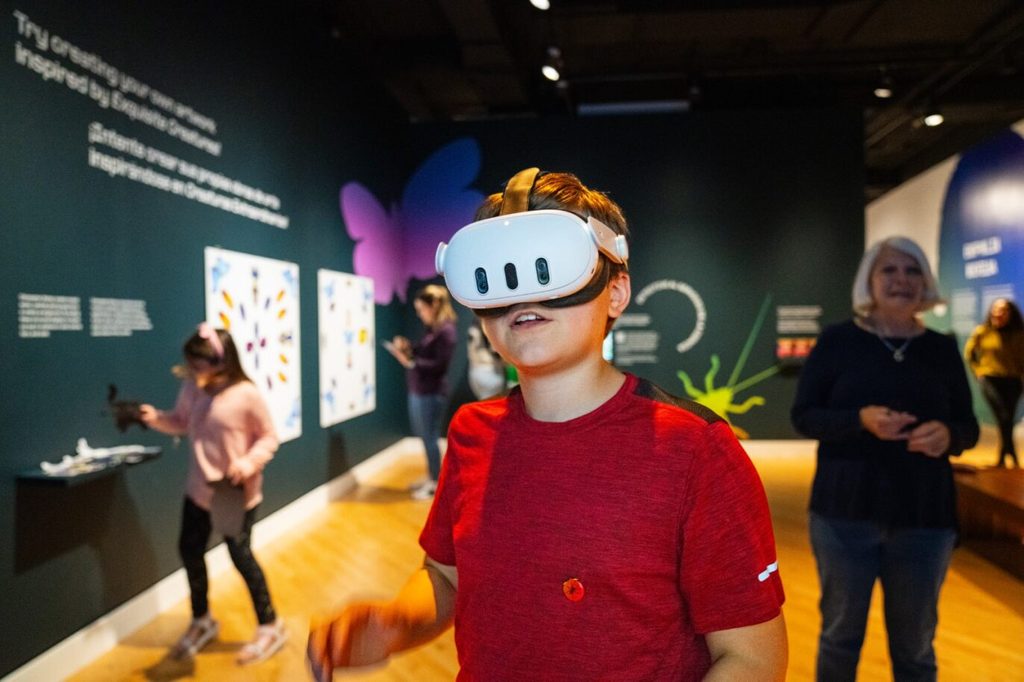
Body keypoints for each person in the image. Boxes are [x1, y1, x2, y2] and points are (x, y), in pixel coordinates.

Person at [309, 169, 787, 680]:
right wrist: (396, 623)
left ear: (617, 292)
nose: (522, 293)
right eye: (494, 274)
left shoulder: (694, 450)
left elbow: (752, 657)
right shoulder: (471, 431)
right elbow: (447, 578)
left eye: (549, 266)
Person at [791, 236, 979, 682]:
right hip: (844, 515)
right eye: (889, 270)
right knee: (840, 638)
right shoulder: (838, 342)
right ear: (869, 281)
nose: (901, 280)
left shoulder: (941, 348)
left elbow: (968, 426)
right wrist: (860, 419)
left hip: (924, 517)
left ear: (925, 282)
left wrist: (948, 434)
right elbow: (804, 415)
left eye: (912, 271)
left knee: (915, 649)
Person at [139, 323, 287, 664]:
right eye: (190, 364)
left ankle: (271, 625)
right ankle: (202, 620)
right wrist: (154, 419)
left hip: (235, 494)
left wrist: (249, 463)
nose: (191, 370)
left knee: (241, 557)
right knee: (189, 551)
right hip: (198, 490)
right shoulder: (193, 388)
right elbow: (180, 421)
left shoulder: (246, 394)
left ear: (220, 361)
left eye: (197, 364)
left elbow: (269, 438)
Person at [383, 284, 458, 500]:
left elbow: (439, 364)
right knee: (425, 437)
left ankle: (436, 482)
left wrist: (412, 361)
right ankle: (431, 477)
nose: (419, 314)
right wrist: (407, 348)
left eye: (421, 309)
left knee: (430, 437)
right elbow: (422, 351)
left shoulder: (447, 331)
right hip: (419, 389)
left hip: (431, 392)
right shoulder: (433, 329)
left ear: (433, 305)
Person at [965, 297, 1024, 467]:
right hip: (989, 379)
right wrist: (978, 372)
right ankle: (1009, 453)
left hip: (1012, 380)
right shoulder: (982, 332)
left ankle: (1004, 453)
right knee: (1003, 415)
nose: (999, 313)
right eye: (996, 309)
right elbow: (970, 353)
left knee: (1008, 418)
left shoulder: (1018, 334)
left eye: (1004, 309)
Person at [465, 318, 507, 400]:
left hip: (475, 370)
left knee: (484, 402)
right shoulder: (487, 325)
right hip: (490, 370)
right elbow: (495, 350)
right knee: (491, 405)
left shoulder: (474, 324)